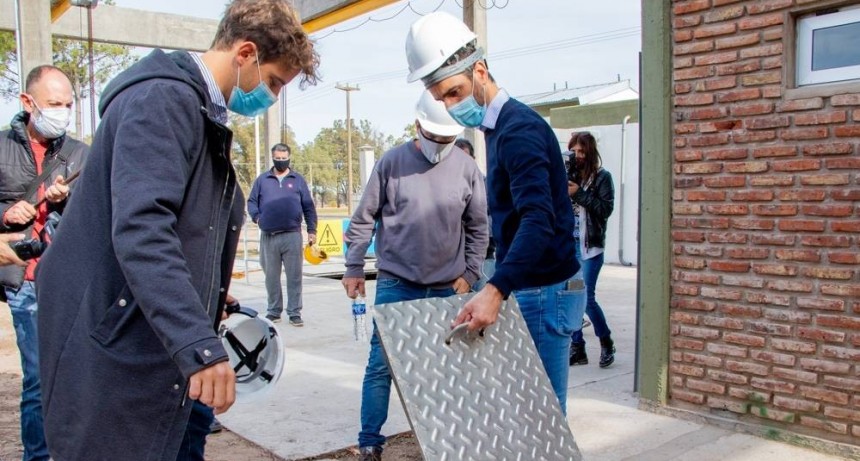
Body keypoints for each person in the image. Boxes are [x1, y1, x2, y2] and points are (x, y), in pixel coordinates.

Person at [35, 1, 320, 460]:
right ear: (245, 53)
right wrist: (196, 342)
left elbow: (181, 222)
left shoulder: (194, 109)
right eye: (272, 82)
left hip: (146, 337)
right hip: (117, 348)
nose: (269, 96)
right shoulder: (163, 102)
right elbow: (143, 229)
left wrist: (206, 292)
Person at [405, 12, 582, 414]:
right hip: (534, 284)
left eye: (453, 92)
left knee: (543, 416)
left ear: (480, 71)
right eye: (441, 99)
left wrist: (495, 288)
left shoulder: (518, 130)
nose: (450, 106)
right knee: (528, 410)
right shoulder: (498, 128)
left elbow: (539, 219)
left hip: (546, 288)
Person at [342, 90, 488, 461]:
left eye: (447, 139)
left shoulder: (467, 168)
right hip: (396, 283)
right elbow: (363, 219)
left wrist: (470, 273)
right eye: (434, 137)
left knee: (448, 366)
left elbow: (478, 227)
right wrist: (354, 267)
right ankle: (370, 443)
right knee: (382, 366)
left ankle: (445, 439)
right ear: (418, 125)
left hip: (447, 287)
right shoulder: (392, 163)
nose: (439, 145)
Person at [0, 64, 88, 461]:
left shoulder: (79, 154)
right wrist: (6, 216)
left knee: (75, 378)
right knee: (37, 379)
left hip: (68, 279)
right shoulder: (1, 148)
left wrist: (65, 200)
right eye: (54, 103)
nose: (63, 112)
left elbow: (92, 219)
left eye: (68, 104)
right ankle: (37, 456)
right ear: (27, 102)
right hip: (24, 280)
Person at [247, 143, 317, 327]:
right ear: (272, 158)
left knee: (294, 276)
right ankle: (274, 311)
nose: (280, 161)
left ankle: (294, 312)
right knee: (271, 276)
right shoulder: (262, 180)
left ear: (289, 157)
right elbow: (252, 202)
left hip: (292, 235)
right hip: (269, 237)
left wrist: (312, 231)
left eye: (283, 158)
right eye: (277, 159)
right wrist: (257, 218)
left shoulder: (298, 180)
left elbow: (308, 207)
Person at [566, 132, 616, 368]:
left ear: (590, 152)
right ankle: (578, 348)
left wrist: (580, 195)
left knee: (587, 299)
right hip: (570, 249)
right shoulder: (567, 177)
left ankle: (606, 342)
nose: (578, 156)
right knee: (572, 298)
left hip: (590, 249)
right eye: (574, 151)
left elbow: (604, 210)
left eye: (582, 151)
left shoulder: (602, 178)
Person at [454, 137, 496, 292]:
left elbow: (496, 218)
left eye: (465, 158)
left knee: (481, 305)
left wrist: (474, 227)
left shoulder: (488, 183)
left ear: (473, 159)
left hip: (484, 258)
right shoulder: (449, 185)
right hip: (454, 261)